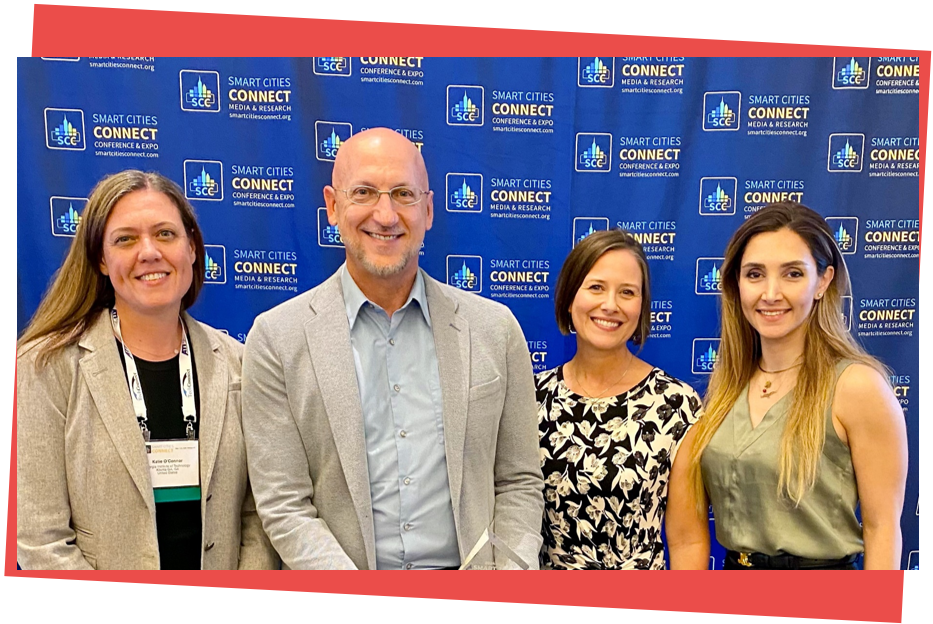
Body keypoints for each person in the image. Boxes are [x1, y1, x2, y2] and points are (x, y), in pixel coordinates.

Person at [241, 127, 544, 570]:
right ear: (332, 206)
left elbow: (518, 482)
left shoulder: (494, 330)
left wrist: (506, 585)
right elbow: (284, 504)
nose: (385, 216)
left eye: (403, 194)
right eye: (364, 192)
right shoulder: (277, 339)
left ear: (428, 210)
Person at [16, 170, 278, 570]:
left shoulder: (239, 364)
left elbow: (259, 515)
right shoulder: (46, 366)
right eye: (126, 239)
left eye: (165, 234)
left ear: (192, 248)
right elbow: (40, 539)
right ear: (101, 259)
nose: (149, 252)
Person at [666, 202, 908, 570]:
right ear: (736, 284)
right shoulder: (727, 389)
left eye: (793, 274)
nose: (771, 293)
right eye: (755, 274)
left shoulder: (857, 386)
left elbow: (882, 529)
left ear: (823, 281)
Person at [536, 230, 703, 569]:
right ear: (569, 297)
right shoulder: (531, 398)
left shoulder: (676, 405)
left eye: (627, 292)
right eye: (596, 287)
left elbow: (688, 540)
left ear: (642, 307)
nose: (610, 305)